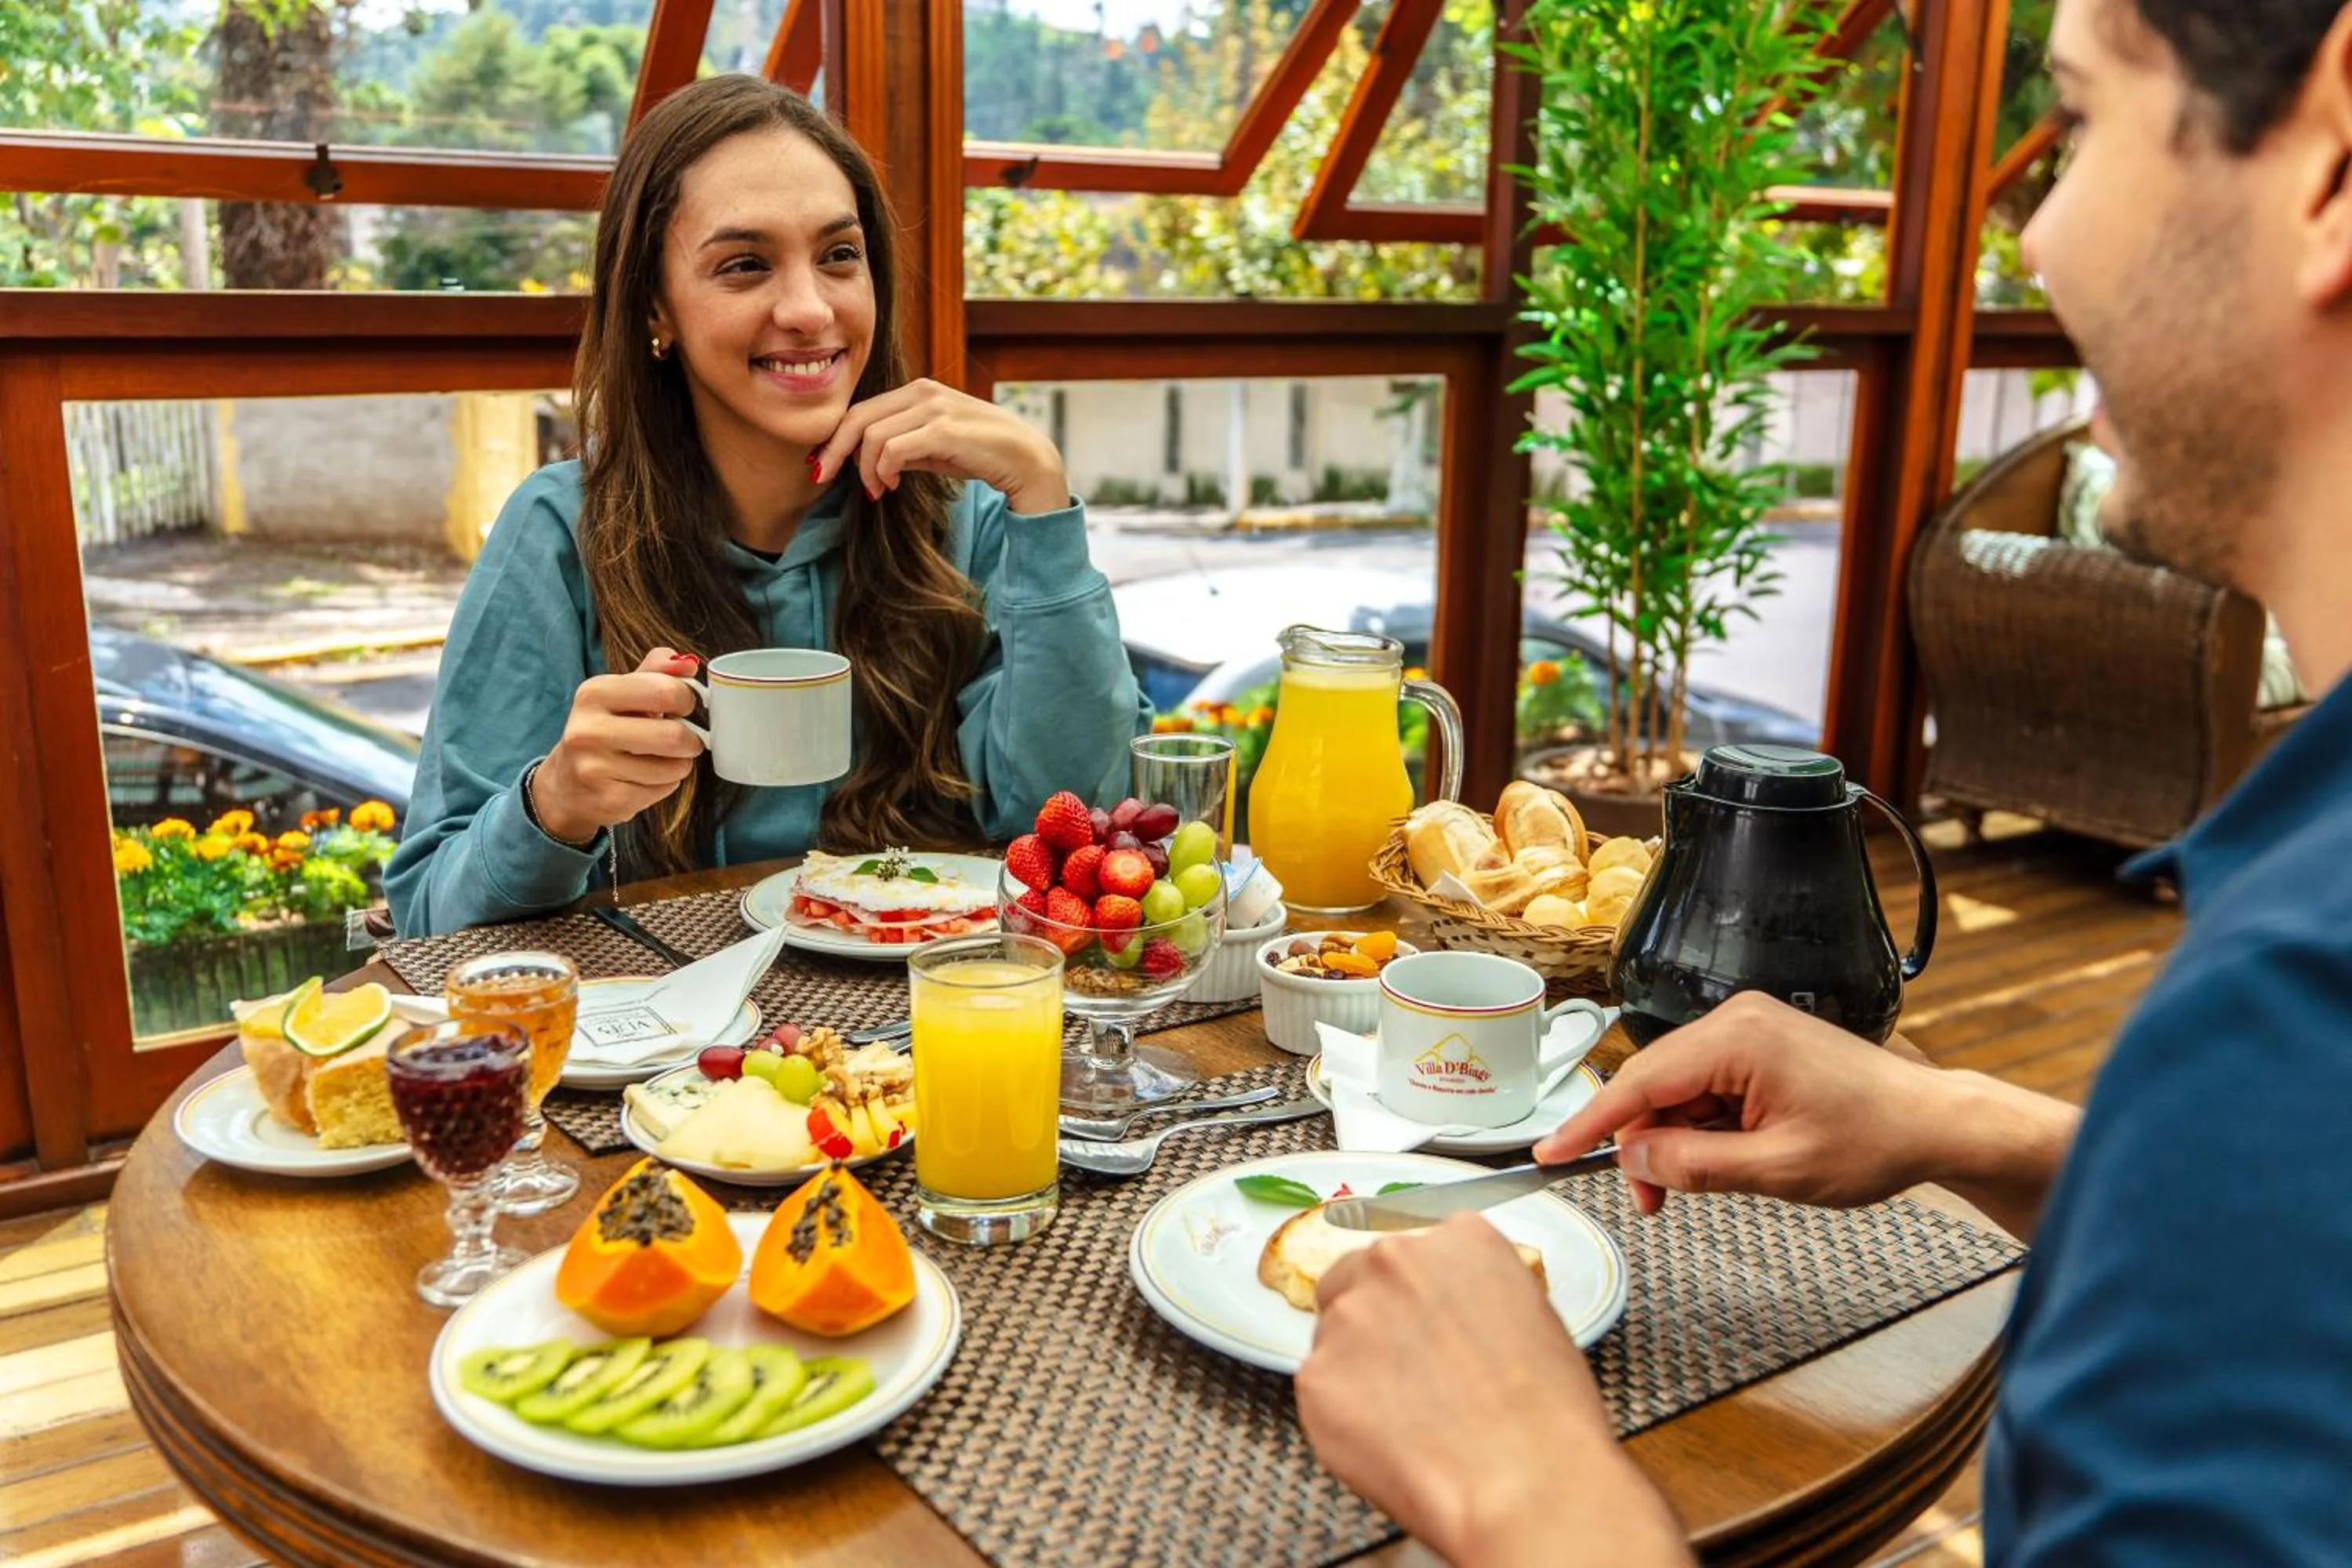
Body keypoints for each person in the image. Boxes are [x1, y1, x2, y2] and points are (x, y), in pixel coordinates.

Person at [1294, 0, 2352, 1561]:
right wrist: (1965, 1123)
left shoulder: (2292, 1014)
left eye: (2074, 121)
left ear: (2332, 162)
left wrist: (1526, 1490)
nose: (2037, 239)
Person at [387, 76, 1149, 936]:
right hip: (669, 1056)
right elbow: (427, 920)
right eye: (744, 264)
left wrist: (1043, 497)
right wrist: (554, 801)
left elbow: (1081, 832)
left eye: (838, 255)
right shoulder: (560, 533)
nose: (809, 308)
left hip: (945, 1029)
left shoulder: (966, 518)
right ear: (653, 307)